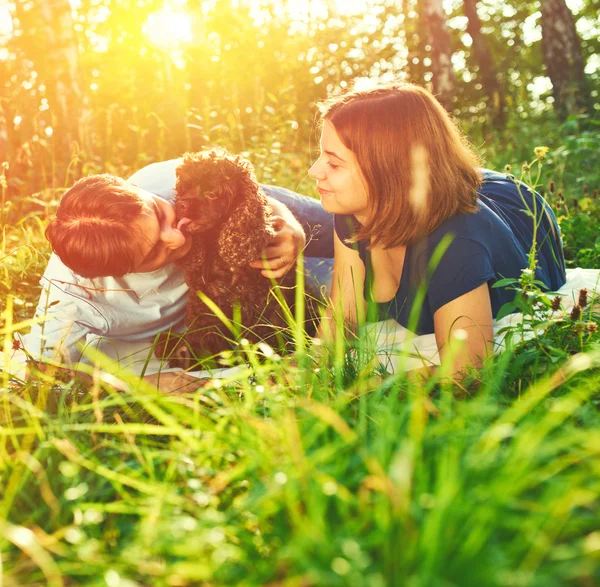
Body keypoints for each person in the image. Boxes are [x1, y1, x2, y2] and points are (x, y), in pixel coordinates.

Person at [308, 82, 566, 376]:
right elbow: (345, 315)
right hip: (426, 189)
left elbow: (466, 371)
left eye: (334, 163)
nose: (314, 171)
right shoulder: (354, 208)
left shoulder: (455, 240)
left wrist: (363, 391)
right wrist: (302, 371)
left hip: (520, 211)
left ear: (388, 170)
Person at [19, 157, 334, 389]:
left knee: (360, 220)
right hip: (236, 279)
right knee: (357, 281)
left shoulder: (161, 183)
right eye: (155, 250)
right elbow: (39, 368)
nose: (177, 236)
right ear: (118, 274)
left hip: (258, 214)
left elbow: (245, 193)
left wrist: (290, 227)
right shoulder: (73, 292)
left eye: (160, 213)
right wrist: (139, 386)